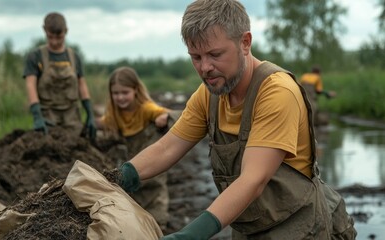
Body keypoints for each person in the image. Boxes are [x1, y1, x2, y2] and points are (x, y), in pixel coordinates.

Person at [111, 0, 357, 239]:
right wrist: (117, 178)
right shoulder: (209, 95)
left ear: (245, 43)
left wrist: (189, 235)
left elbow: (253, 180)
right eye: (195, 57)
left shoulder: (277, 92)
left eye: (215, 54)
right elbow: (167, 148)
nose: (205, 67)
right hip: (247, 225)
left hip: (300, 227)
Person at [98, 66, 175, 230]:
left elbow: (169, 114)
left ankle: (160, 225)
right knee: (132, 201)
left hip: (152, 161)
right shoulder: (114, 114)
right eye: (116, 93)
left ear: (135, 90)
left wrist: (164, 117)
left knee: (155, 199)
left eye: (125, 92)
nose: (120, 97)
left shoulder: (146, 109)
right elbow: (104, 123)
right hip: (132, 161)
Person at [23, 12, 96, 140]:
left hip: (72, 116)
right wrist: (37, 115)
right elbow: (30, 85)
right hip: (48, 115)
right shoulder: (35, 56)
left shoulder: (74, 57)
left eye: (59, 37)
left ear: (66, 31)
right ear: (44, 30)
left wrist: (90, 113)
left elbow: (82, 85)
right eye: (50, 37)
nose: (54, 42)